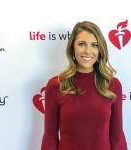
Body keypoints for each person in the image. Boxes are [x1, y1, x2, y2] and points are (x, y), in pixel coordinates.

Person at [41, 21, 128, 150]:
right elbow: (50, 138)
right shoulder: (56, 85)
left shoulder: (112, 84)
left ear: (100, 50)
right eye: (82, 44)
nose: (88, 51)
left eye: (94, 45)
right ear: (72, 48)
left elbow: (117, 137)